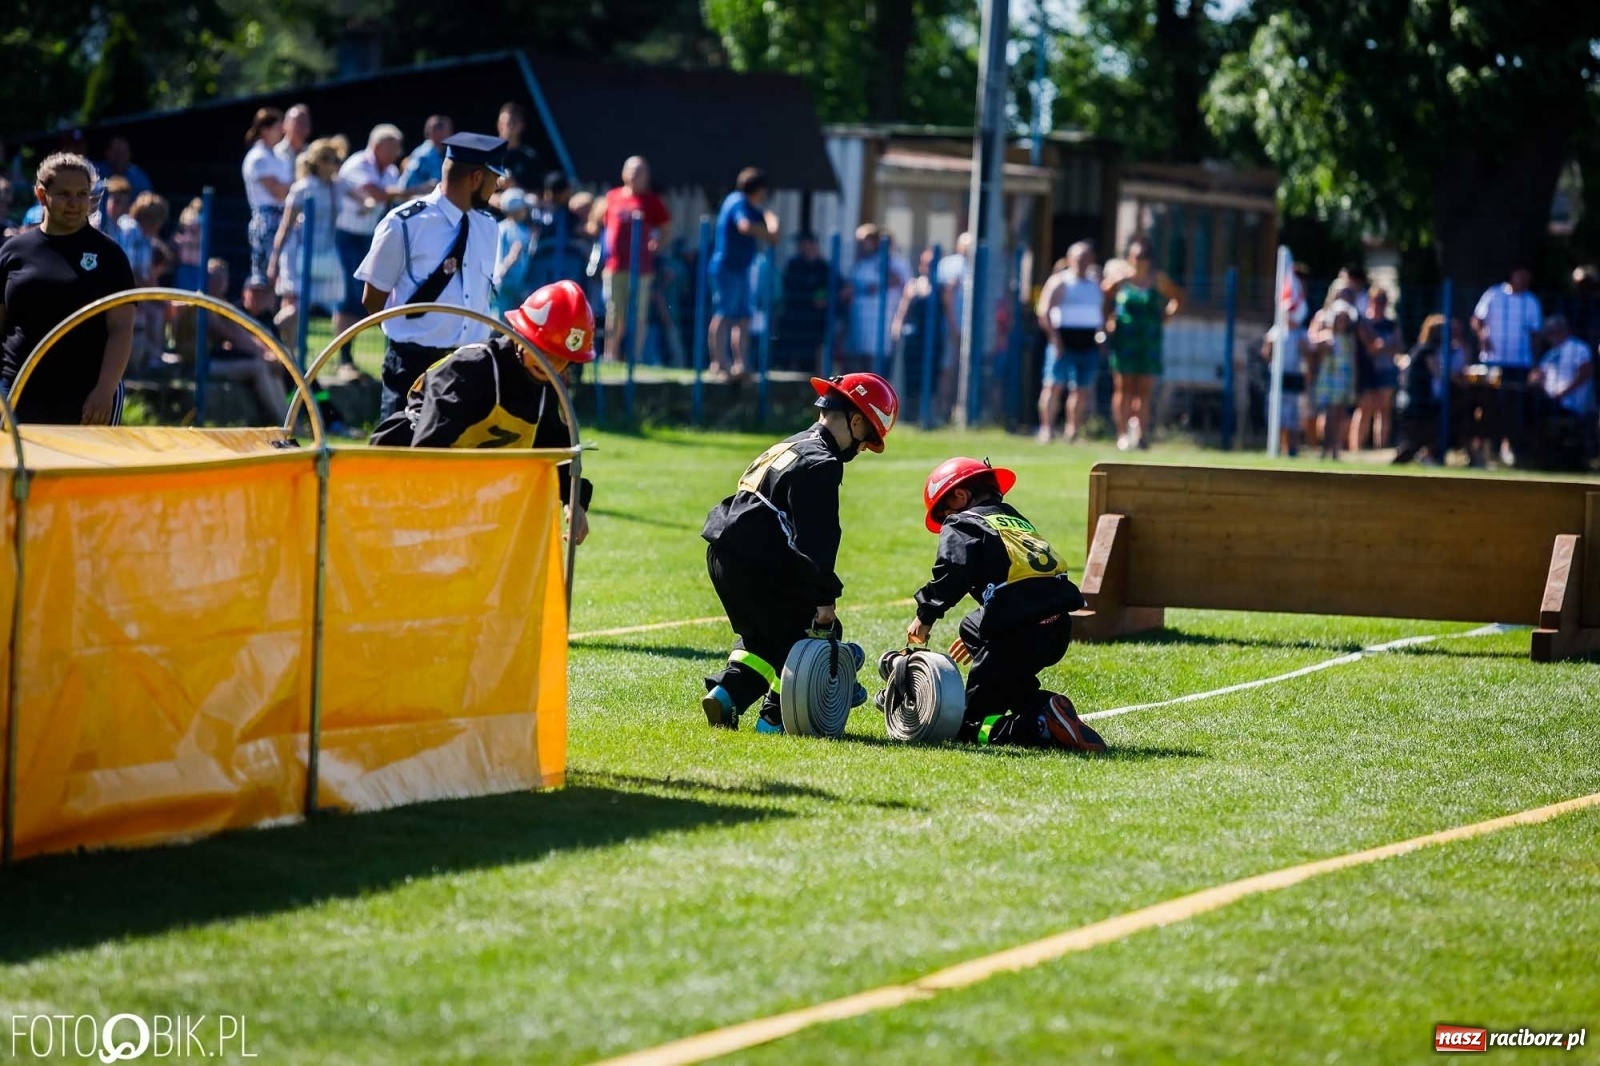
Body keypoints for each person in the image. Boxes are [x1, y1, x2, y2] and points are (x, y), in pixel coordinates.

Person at [700, 372, 900, 733]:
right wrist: (824, 599)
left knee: (765, 639)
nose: (863, 449)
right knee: (815, 633)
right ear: (855, 421)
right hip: (755, 562)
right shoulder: (822, 463)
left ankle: (726, 695)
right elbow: (816, 538)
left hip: (723, 554)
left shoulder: (791, 444)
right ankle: (774, 720)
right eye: (867, 439)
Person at [903, 457, 1104, 751]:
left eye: (944, 511)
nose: (946, 519)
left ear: (960, 497)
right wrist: (976, 635)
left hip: (1015, 635)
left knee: (970, 727)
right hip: (1056, 628)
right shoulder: (1012, 518)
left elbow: (953, 570)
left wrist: (925, 615)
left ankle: (1035, 722)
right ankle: (1041, 705)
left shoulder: (962, 521)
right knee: (976, 633)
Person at [369, 279, 594, 539]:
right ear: (521, 334)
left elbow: (558, 452)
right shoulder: (472, 370)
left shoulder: (548, 390)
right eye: (544, 351)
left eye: (561, 358)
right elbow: (428, 446)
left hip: (469, 502)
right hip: (408, 479)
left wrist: (573, 502)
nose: (550, 365)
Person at [355, 132, 505, 420]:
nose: (497, 185)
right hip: (413, 366)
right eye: (493, 177)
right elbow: (373, 300)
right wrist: (411, 335)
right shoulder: (404, 223)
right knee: (398, 460)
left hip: (469, 367)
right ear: (475, 178)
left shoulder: (488, 226)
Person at [0, 153, 136, 424]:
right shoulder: (14, 251)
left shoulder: (110, 255)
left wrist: (105, 389)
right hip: (16, 387)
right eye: (63, 194)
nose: (74, 203)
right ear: (41, 194)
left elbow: (121, 330)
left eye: (82, 194)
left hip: (87, 395)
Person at [169, 257, 290, 424]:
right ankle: (282, 422)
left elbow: (242, 334)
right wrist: (263, 356)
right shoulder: (202, 304)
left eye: (221, 278)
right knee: (258, 367)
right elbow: (232, 336)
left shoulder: (222, 304)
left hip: (212, 358)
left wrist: (268, 353)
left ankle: (290, 421)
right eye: (214, 278)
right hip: (196, 364)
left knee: (270, 367)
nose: (218, 283)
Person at [334, 124, 406, 367]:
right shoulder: (356, 164)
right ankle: (344, 359)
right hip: (344, 236)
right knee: (346, 297)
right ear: (377, 146)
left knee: (360, 296)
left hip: (367, 238)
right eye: (393, 148)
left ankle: (349, 359)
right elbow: (377, 193)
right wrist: (414, 190)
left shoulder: (391, 172)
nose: (397, 153)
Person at [1103, 236, 1183, 451]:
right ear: (1129, 257)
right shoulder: (1120, 281)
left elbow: (1178, 298)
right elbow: (1104, 300)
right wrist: (1108, 321)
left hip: (1149, 341)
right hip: (1125, 341)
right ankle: (1121, 434)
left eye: (1144, 257)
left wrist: (1164, 318)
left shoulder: (1158, 280)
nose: (1140, 261)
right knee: (1124, 389)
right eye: (1137, 257)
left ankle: (1139, 434)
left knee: (1144, 391)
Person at [268, 137, 348, 347]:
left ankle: (288, 356)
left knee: (318, 305)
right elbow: (285, 226)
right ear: (319, 161)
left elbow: (362, 196)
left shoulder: (337, 187)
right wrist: (274, 260)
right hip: (299, 253)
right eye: (330, 159)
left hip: (325, 255)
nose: (335, 164)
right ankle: (270, 334)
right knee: (295, 307)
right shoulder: (302, 188)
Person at [707, 167, 780, 380]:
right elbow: (745, 226)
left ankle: (741, 364)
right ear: (759, 189)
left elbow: (774, 233)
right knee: (724, 313)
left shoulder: (749, 205)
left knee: (743, 317)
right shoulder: (738, 202)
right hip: (726, 268)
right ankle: (719, 362)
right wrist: (767, 227)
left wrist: (768, 220)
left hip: (741, 268)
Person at [601, 156, 671, 362]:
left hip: (641, 267)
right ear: (623, 173)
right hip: (614, 265)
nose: (634, 174)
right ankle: (610, 354)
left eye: (640, 171)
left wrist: (658, 245)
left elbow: (667, 228)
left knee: (639, 313)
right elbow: (603, 221)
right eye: (631, 170)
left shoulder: (652, 201)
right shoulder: (612, 196)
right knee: (614, 311)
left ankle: (635, 357)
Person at [1472, 265, 1543, 465]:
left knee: (1514, 406)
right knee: (1490, 404)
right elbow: (1477, 320)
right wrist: (1483, 334)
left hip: (1520, 363)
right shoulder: (1493, 295)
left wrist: (1535, 362)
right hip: (1493, 360)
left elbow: (1535, 334)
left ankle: (1509, 447)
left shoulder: (1531, 301)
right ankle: (1487, 448)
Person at [1035, 241, 1103, 443]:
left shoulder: (1095, 284)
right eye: (1078, 258)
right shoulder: (1060, 282)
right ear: (1070, 259)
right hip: (1063, 341)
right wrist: (1055, 339)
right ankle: (1047, 429)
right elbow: (1043, 311)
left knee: (1081, 390)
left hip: (1087, 342)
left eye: (1086, 258)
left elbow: (1101, 312)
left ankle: (1072, 431)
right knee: (1053, 386)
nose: (1082, 263)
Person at [890, 248, 949, 418]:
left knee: (932, 379)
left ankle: (929, 416)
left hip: (934, 339)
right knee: (911, 378)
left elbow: (949, 314)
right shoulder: (913, 285)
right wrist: (896, 328)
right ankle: (910, 415)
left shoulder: (942, 288)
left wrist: (954, 336)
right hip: (915, 340)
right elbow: (903, 310)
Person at [1530, 314, 1596, 460]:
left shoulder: (1579, 348)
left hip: (1571, 403)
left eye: (1553, 331)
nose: (1551, 336)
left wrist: (1563, 392)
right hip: (1550, 401)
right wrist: (1535, 379)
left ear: (1563, 330)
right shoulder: (1550, 353)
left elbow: (1585, 373)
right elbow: (1538, 375)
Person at [845, 224, 909, 373]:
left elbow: (899, 281)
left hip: (882, 324)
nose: (861, 245)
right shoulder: (861, 264)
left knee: (878, 368)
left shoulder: (894, 262)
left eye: (865, 240)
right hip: (859, 323)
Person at [242, 108, 292, 288]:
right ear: (265, 130)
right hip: (266, 219)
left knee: (282, 274)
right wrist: (293, 187)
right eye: (278, 127)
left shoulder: (278, 157)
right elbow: (278, 191)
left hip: (283, 217)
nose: (283, 131)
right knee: (265, 276)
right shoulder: (258, 157)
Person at [1350, 285, 1401, 451]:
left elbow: (1398, 346)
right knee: (1364, 409)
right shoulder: (1363, 322)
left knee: (1384, 410)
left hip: (1386, 369)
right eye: (1377, 301)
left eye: (1383, 301)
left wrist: (1383, 347)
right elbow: (1369, 347)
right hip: (1367, 370)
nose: (1380, 304)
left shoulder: (1391, 324)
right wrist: (1382, 346)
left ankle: (1380, 448)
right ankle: (1356, 448)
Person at [1309, 299, 1360, 459]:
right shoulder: (1326, 337)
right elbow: (1314, 349)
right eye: (1339, 318)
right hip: (1329, 381)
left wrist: (1354, 382)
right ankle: (1326, 447)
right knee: (1328, 415)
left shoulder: (1349, 340)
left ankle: (1336, 449)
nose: (1341, 322)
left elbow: (1353, 361)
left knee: (1340, 415)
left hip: (1344, 380)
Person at [776, 233, 833, 372]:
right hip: (794, 317)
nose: (802, 248)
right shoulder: (794, 264)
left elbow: (828, 291)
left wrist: (822, 298)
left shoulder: (823, 267)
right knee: (790, 352)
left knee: (811, 356)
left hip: (814, 320)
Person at [493, 188, 537, 320]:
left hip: (520, 288)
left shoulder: (526, 230)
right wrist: (511, 259)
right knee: (499, 324)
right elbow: (497, 263)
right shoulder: (501, 229)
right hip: (503, 289)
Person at [400, 114, 454, 196]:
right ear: (436, 132)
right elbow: (406, 186)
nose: (450, 134)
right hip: (416, 202)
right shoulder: (423, 154)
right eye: (447, 130)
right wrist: (424, 187)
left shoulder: (437, 153)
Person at [495, 103, 542, 192]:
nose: (506, 128)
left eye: (511, 123)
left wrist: (513, 186)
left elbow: (538, 193)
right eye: (502, 123)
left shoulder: (529, 156)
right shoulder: (488, 154)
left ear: (521, 125)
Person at [275, 104, 313, 172]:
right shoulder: (276, 153)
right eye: (297, 121)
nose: (301, 126)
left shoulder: (312, 153)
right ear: (285, 125)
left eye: (305, 122)